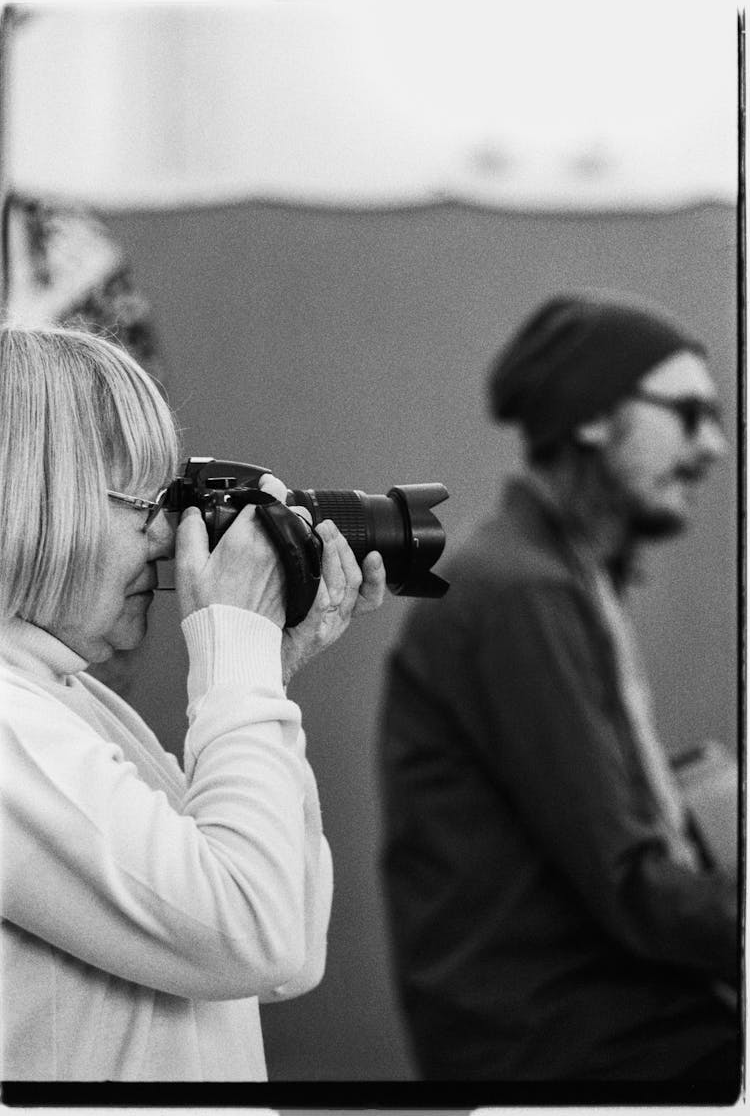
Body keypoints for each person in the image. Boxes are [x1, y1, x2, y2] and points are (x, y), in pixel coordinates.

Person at [0, 324, 386, 1081]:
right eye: (144, 501)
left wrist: (262, 670)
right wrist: (233, 652)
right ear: (39, 504)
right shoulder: (12, 728)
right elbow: (254, 928)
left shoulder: (68, 701)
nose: (170, 537)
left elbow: (289, 950)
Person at [378, 291, 739, 1086]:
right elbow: (630, 882)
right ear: (592, 420)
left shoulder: (560, 575)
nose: (713, 444)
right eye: (687, 412)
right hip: (567, 1050)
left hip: (606, 1024)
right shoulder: (520, 592)